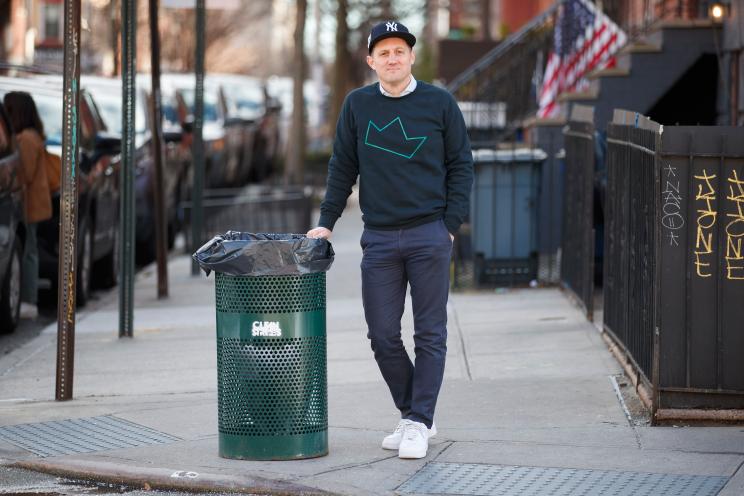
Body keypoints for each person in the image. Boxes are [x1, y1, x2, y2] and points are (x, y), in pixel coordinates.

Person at [306, 20, 473, 459]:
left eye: (400, 50)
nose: (392, 58)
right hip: (378, 237)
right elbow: (343, 167)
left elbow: (462, 166)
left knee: (430, 333)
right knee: (382, 335)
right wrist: (327, 221)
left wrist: (449, 225)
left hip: (429, 234)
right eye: (384, 53)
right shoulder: (357, 105)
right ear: (371, 61)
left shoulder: (439, 102)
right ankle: (414, 411)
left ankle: (418, 422)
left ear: (411, 56)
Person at [4, 92, 52, 320]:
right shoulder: (32, 136)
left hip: (29, 204)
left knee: (29, 251)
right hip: (33, 203)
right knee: (30, 250)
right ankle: (28, 299)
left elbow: (23, 173)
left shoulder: (26, 139)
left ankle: (29, 300)